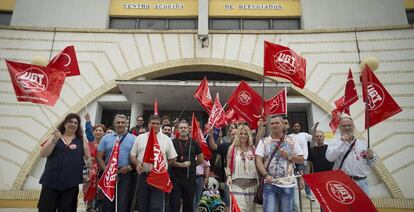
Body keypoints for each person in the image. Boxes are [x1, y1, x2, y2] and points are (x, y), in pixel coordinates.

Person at [38, 113, 91, 212]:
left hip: (71, 182)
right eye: (70, 122)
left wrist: (87, 177)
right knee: (46, 208)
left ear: (78, 126)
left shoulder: (81, 139)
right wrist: (54, 140)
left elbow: (88, 159)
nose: (73, 124)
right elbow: (43, 154)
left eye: (76, 123)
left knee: (66, 209)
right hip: (51, 180)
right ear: (65, 124)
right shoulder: (55, 136)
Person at [255, 115, 304, 212]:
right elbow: (258, 160)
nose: (274, 125)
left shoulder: (292, 141)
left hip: (287, 184)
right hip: (269, 183)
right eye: (272, 123)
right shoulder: (264, 141)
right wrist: (265, 175)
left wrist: (289, 156)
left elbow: (301, 159)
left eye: (277, 123)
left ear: (283, 125)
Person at [130, 115, 177, 212]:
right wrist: (137, 163)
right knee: (142, 204)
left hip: (159, 177)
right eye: (153, 123)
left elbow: (173, 158)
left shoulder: (166, 139)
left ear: (160, 125)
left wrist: (164, 166)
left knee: (157, 206)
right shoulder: (139, 138)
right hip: (142, 175)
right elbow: (132, 156)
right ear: (148, 124)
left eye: (157, 124)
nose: (155, 125)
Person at [326, 117, 377, 195]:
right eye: (344, 126)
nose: (347, 127)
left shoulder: (363, 143)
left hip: (363, 183)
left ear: (353, 127)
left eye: (349, 125)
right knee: (346, 206)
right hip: (344, 183)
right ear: (339, 128)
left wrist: (371, 157)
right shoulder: (335, 142)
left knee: (362, 206)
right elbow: (330, 158)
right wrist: (342, 142)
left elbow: (373, 163)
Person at [96, 114, 136, 212]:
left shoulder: (134, 138)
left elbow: (138, 157)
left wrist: (130, 168)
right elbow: (99, 156)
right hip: (109, 174)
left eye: (123, 122)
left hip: (125, 174)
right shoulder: (106, 138)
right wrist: (107, 172)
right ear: (114, 124)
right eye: (118, 122)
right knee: (108, 203)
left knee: (122, 203)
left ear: (126, 124)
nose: (120, 124)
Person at [169, 120, 204, 212]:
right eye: (181, 128)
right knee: (174, 203)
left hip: (189, 177)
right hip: (175, 177)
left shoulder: (194, 143)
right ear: (178, 130)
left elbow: (201, 159)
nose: (183, 129)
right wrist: (182, 165)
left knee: (188, 204)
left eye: (185, 128)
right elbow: (169, 161)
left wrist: (191, 165)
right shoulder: (172, 142)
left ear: (189, 130)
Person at [226, 125, 258, 212]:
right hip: (237, 184)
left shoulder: (253, 148)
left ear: (249, 135)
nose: (243, 136)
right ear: (237, 135)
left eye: (245, 134)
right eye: (241, 133)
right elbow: (228, 166)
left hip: (253, 185)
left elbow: (258, 164)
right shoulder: (232, 148)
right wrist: (228, 176)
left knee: (250, 210)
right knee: (240, 210)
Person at [209, 127, 238, 212]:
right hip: (229, 180)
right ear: (230, 136)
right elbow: (214, 147)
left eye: (236, 134)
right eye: (233, 134)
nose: (235, 136)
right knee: (228, 202)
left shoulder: (247, 147)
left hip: (242, 181)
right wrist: (211, 136)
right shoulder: (226, 146)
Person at [83, 113, 106, 212]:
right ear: (93, 132)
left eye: (100, 130)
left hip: (102, 176)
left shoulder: (107, 145)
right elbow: (83, 157)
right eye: (96, 130)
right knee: (90, 200)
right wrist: (89, 160)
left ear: (104, 133)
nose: (98, 132)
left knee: (100, 199)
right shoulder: (88, 145)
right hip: (90, 176)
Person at [289, 122, 314, 201]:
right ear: (293, 128)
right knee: (294, 177)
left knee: (305, 176)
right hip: (293, 159)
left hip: (304, 159)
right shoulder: (289, 136)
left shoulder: (304, 134)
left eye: (298, 126)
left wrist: (315, 127)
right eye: (295, 126)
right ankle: (295, 195)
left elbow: (313, 138)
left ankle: (308, 193)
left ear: (300, 127)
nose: (296, 127)